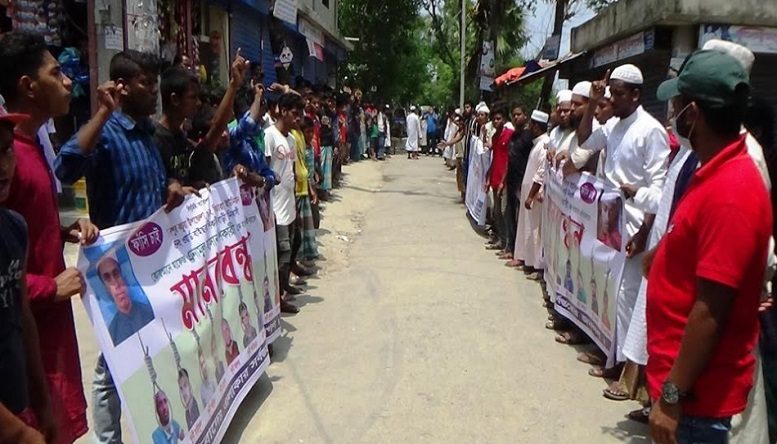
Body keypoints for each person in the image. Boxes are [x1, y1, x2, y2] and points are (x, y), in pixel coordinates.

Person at [55, 49, 195, 444]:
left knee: (156, 348)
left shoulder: (148, 133)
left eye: (154, 83)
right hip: (115, 268)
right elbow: (65, 168)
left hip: (153, 263)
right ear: (121, 86)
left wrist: (170, 186)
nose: (154, 92)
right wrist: (102, 113)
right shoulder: (106, 134)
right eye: (146, 84)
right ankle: (108, 439)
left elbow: (160, 179)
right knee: (112, 365)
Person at [646, 50, 772, 444]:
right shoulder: (711, 167)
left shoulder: (732, 188)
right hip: (686, 393)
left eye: (677, 103)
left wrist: (671, 396)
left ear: (693, 112)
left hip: (696, 403)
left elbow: (711, 310)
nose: (672, 111)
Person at [0, 30, 98, 444]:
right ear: (28, 86)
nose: (68, 81)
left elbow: (26, 232)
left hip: (49, 337)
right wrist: (48, 287)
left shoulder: (32, 146)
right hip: (24, 343)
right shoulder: (12, 158)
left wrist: (65, 231)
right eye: (56, 73)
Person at [569, 64, 669, 375]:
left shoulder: (651, 131)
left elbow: (659, 189)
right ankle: (608, 354)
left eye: (619, 93)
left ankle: (626, 372)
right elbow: (584, 140)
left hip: (636, 227)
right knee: (609, 291)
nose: (613, 98)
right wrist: (593, 101)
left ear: (636, 95)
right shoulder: (613, 126)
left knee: (628, 297)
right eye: (610, 92)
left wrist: (643, 232)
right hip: (609, 220)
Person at [0, 110, 57, 444]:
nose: (3, 165)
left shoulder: (14, 228)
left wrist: (43, 405)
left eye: (7, 150)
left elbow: (22, 318)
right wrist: (20, 434)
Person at [154, 50, 244, 187]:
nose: (198, 103)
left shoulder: (183, 141)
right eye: (192, 97)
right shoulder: (154, 141)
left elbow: (217, 128)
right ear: (174, 99)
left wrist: (234, 85)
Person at [265, 93, 303, 314]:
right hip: (275, 204)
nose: (297, 119)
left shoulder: (291, 139)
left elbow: (293, 169)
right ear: (283, 111)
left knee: (292, 245)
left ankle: (285, 286)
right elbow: (266, 167)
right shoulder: (270, 136)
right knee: (283, 252)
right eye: (294, 114)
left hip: (289, 201)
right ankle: (278, 299)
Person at [513, 110, 550, 279]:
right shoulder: (537, 144)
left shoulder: (544, 145)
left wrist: (531, 195)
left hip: (535, 196)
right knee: (527, 229)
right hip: (528, 192)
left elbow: (541, 173)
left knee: (535, 231)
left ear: (536, 126)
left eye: (531, 126)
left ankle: (538, 267)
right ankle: (527, 261)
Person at [97, 257, 154, 345]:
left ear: (123, 278)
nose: (115, 283)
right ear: (105, 288)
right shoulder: (112, 336)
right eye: (107, 278)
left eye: (116, 274)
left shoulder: (151, 312)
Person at [504, 107, 532, 265]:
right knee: (511, 215)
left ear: (525, 116)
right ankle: (511, 248)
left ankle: (520, 255)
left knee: (520, 217)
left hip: (523, 182)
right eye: (513, 115)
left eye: (519, 114)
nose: (516, 117)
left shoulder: (529, 137)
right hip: (511, 180)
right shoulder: (513, 135)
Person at [485, 109, 513, 254]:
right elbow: (495, 158)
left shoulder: (509, 135)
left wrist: (503, 180)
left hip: (504, 180)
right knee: (496, 212)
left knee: (504, 212)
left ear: (504, 119)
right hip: (494, 179)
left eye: (498, 118)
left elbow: (508, 160)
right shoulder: (495, 136)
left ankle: (508, 244)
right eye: (494, 119)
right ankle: (501, 240)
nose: (496, 122)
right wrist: (488, 177)